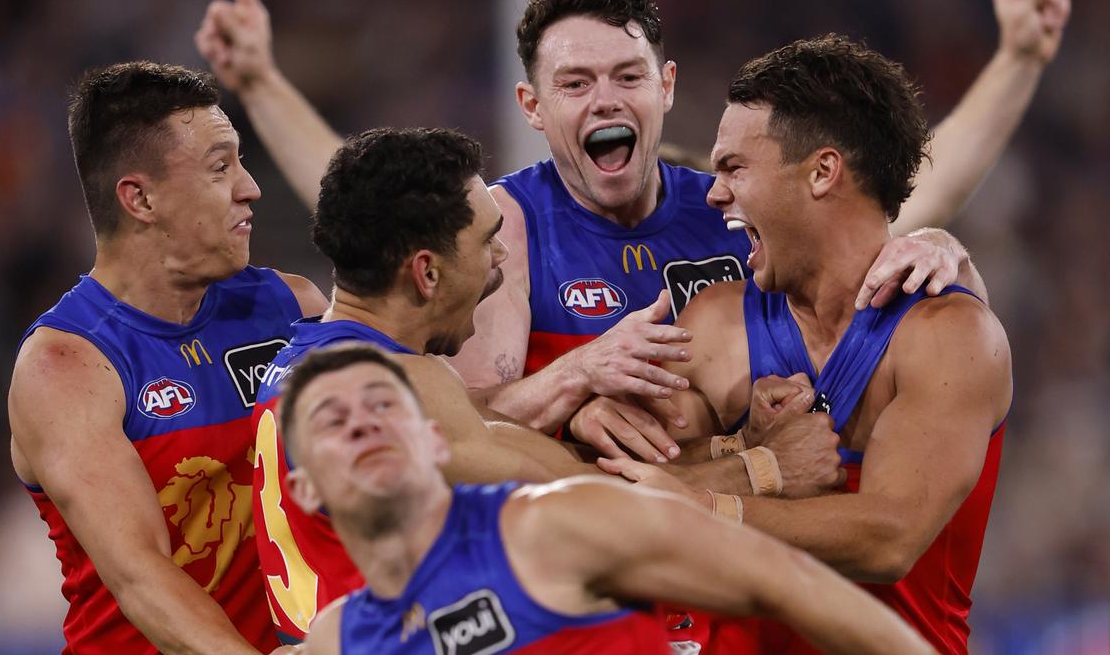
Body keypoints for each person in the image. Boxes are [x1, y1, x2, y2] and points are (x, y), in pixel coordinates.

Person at [192, 0, 1064, 456]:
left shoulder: (736, 207)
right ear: (531, 107)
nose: (605, 100)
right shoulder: (508, 230)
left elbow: (897, 195)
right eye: (574, 84)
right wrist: (580, 373)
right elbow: (455, 414)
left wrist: (941, 238)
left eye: (626, 76)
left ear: (667, 88)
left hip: (723, 558)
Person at [249, 126, 848, 643]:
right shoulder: (386, 389)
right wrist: (768, 469)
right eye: (487, 242)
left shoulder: (310, 359)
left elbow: (542, 462)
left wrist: (732, 447)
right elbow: (590, 505)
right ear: (427, 272)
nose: (501, 260)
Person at [601, 33, 1014, 655]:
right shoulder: (717, 322)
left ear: (823, 172)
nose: (714, 194)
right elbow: (626, 482)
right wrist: (748, 456)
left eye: (734, 168)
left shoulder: (949, 337)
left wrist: (708, 505)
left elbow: (889, 538)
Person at [279, 343, 936, 655]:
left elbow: (788, 584)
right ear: (304, 489)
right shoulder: (341, 639)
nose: (361, 422)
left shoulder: (555, 524)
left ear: (436, 443)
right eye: (331, 421)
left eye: (382, 406)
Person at [7, 62, 326, 654]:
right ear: (140, 198)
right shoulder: (67, 365)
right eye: (220, 167)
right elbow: (141, 575)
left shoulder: (292, 307)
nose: (249, 186)